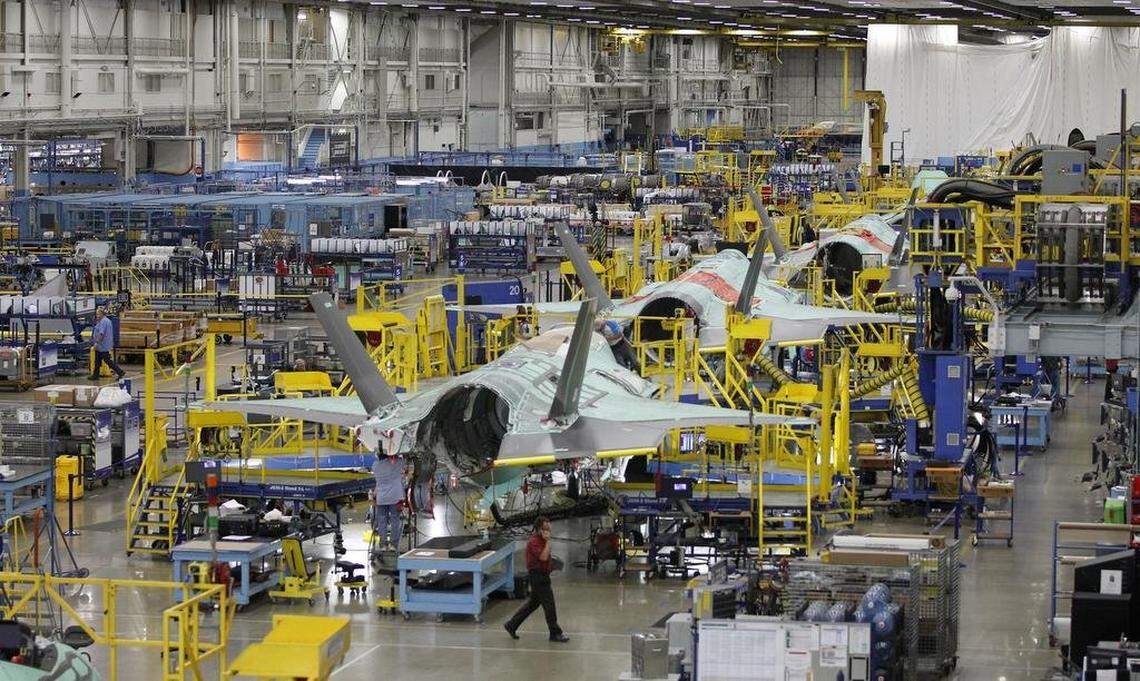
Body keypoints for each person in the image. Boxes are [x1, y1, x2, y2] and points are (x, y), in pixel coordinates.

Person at [504, 517, 569, 643]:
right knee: (549, 605)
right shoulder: (534, 542)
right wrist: (547, 543)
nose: (548, 531)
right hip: (538, 577)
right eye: (545, 529)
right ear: (539, 529)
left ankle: (511, 625)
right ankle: (555, 633)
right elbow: (544, 557)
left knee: (533, 604)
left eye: (549, 528)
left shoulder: (541, 540)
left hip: (543, 576)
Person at [372, 443, 406, 551]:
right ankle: (393, 545)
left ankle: (383, 544)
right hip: (394, 497)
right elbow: (403, 459)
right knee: (395, 520)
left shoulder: (375, 466)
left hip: (381, 498)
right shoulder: (395, 464)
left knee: (382, 521)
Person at [89, 307, 124, 381]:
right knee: (97, 361)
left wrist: (96, 343)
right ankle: (95, 375)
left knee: (107, 361)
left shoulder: (103, 322)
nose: (97, 315)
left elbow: (101, 334)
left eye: (98, 314)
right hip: (102, 345)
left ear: (102, 314)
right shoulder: (106, 321)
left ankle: (120, 371)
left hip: (102, 345)